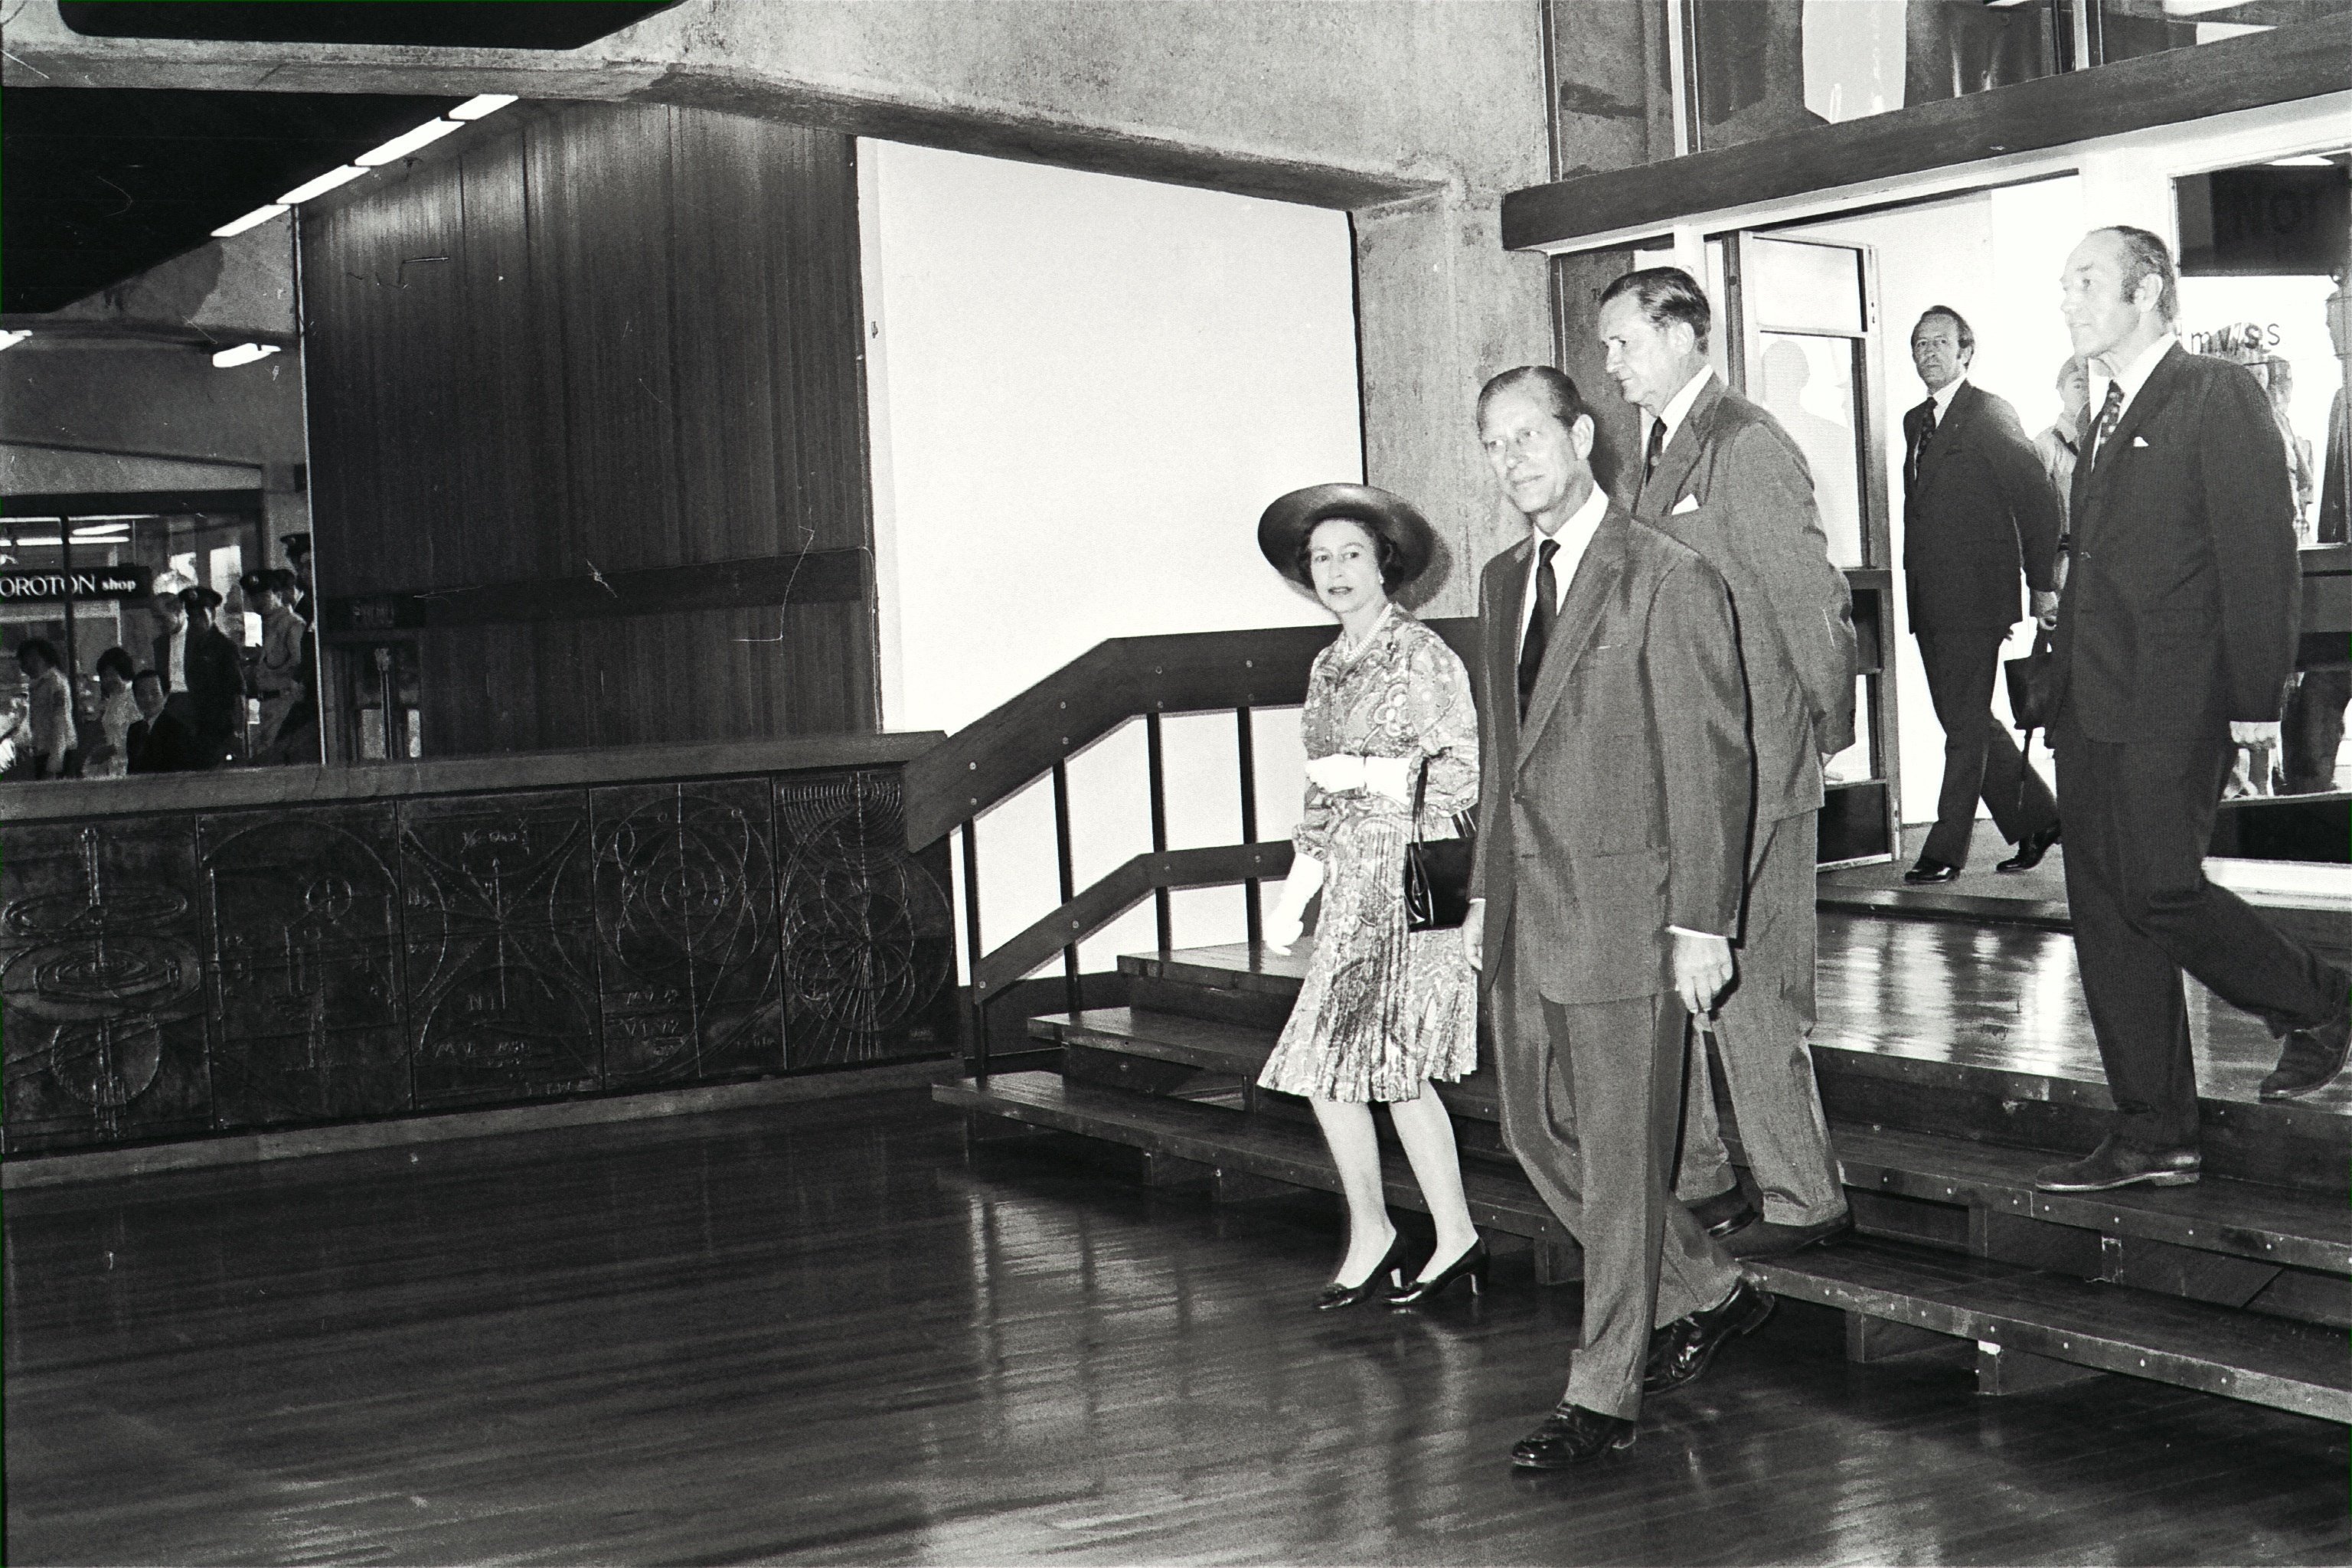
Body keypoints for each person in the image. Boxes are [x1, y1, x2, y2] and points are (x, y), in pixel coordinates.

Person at [1464, 365, 1767, 1468]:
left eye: (1530, 435)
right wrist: (1484, 901)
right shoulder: (1505, 582)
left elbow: (1710, 760)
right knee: (1531, 1132)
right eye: (1493, 445)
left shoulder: (1666, 576)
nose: (1514, 460)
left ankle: (1601, 1395)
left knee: (1620, 1160)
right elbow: (1508, 756)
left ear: (1581, 434)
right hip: (1526, 914)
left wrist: (1703, 921)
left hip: (1631, 918)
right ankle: (1710, 1290)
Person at [2035, 226, 2352, 1193]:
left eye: (2087, 280)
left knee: (2158, 886)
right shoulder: (2102, 412)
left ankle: (2321, 1001)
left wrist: (2258, 705)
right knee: (2103, 912)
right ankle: (2152, 1129)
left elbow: (2258, 559)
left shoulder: (2217, 394)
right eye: (2065, 281)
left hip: (2178, 699)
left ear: (2150, 291)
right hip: (2089, 704)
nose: (2070, 298)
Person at [1601, 266, 1859, 1257]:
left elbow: (1814, 612)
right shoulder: (1658, 455)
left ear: (1681, 335)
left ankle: (1804, 1202)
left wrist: (1815, 738)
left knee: (1753, 988)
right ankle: (1707, 1179)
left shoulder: (1746, 444)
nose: (1611, 363)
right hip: (1685, 764)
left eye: (1624, 341)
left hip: (1757, 762)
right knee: (1687, 973)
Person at [1253, 485, 1488, 1312]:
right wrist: (1300, 874)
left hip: (1409, 881)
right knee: (1349, 1069)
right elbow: (1323, 787)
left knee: (1382, 1070)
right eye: (1321, 558)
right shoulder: (1327, 664)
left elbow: (1463, 772)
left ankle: (1427, 1232)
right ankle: (1402, 1230)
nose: (1335, 570)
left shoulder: (1422, 654)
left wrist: (1378, 781)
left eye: (1351, 553)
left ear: (1385, 563)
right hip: (1349, 882)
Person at [1898, 306, 2065, 883]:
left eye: (1941, 343)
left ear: (1967, 353)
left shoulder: (1990, 413)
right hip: (1929, 602)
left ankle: (1943, 852)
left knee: (1964, 729)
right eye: (1920, 344)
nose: (1928, 353)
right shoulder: (1914, 421)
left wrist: (2042, 585)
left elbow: (2039, 500)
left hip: (1975, 601)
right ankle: (2039, 819)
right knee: (1962, 719)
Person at [149, 581, 244, 768]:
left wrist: (236, 729)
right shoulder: (160, 644)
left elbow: (233, 690)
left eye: (163, 618)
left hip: (205, 714)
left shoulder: (207, 641)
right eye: (156, 619)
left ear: (177, 612)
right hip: (173, 710)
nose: (159, 624)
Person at [242, 568, 311, 761]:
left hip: (284, 704)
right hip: (265, 706)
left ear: (278, 595)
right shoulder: (264, 626)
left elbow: (300, 664)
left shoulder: (292, 624)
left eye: (264, 596)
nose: (258, 602)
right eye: (253, 597)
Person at [2034, 356, 2090, 526]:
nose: (2087, 394)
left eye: (2092, 386)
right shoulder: (2046, 444)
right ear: (2061, 391)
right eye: (2078, 386)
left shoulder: (2107, 440)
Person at [14, 638, 77, 779]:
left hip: (59, 753)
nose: (27, 665)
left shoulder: (56, 683)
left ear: (45, 659)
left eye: (33, 659)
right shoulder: (36, 685)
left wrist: (55, 762)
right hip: (42, 751)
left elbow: (61, 722)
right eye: (24, 661)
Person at [126, 668, 204, 774]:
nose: (148, 699)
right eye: (142, 693)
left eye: (155, 693)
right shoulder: (134, 730)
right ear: (135, 698)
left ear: (166, 696)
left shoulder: (177, 729)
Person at [83, 647, 139, 778]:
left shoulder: (134, 697)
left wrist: (111, 750)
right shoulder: (113, 698)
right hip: (114, 766)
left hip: (132, 764)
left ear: (123, 672)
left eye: (112, 674)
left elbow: (136, 737)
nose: (108, 680)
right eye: (104, 676)